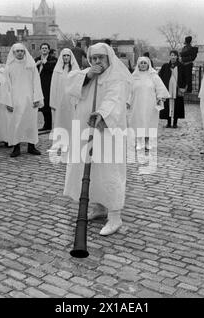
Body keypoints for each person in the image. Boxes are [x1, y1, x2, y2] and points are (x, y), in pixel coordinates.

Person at [64, 42, 132, 236]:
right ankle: (100, 207)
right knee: (92, 169)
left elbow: (115, 99)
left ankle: (115, 216)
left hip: (108, 131)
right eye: (93, 58)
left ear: (108, 58)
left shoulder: (116, 77)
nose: (97, 62)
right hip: (87, 130)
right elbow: (70, 85)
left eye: (100, 58)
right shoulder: (87, 74)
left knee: (109, 169)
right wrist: (88, 75)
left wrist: (102, 113)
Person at [1, 43, 44, 157]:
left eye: (22, 51)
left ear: (24, 52)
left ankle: (31, 146)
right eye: (17, 51)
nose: (20, 53)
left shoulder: (31, 65)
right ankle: (16, 147)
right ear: (13, 53)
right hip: (15, 100)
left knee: (31, 123)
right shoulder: (9, 67)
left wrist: (37, 98)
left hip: (30, 99)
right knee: (16, 123)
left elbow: (36, 82)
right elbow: (6, 86)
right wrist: (8, 102)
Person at [128, 57, 170, 150]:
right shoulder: (133, 77)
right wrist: (128, 101)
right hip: (137, 104)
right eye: (141, 63)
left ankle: (147, 142)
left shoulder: (153, 76)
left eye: (145, 63)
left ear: (148, 64)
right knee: (137, 122)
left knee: (149, 122)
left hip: (150, 104)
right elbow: (129, 91)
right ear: (138, 65)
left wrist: (160, 97)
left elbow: (160, 88)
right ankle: (138, 142)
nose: (143, 65)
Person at [49, 48, 80, 152]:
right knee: (60, 121)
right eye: (64, 56)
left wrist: (77, 100)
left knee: (71, 120)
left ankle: (71, 142)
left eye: (68, 56)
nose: (66, 58)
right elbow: (53, 86)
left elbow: (78, 85)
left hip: (71, 101)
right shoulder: (58, 70)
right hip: (61, 100)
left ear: (71, 57)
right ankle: (59, 142)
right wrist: (53, 101)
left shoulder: (76, 70)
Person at [158, 50, 186, 128]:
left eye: (174, 55)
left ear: (177, 56)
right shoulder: (165, 66)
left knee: (176, 105)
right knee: (168, 105)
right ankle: (169, 122)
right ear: (170, 56)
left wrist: (183, 87)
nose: (173, 57)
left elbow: (184, 78)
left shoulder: (181, 66)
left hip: (177, 89)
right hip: (168, 88)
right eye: (171, 55)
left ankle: (175, 123)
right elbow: (160, 76)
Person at [35, 43, 57, 131]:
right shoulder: (36, 59)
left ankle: (50, 124)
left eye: (46, 48)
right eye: (42, 48)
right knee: (42, 105)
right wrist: (36, 65)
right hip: (39, 85)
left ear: (48, 50)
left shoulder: (53, 59)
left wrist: (45, 63)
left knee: (48, 104)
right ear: (40, 50)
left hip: (49, 84)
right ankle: (46, 124)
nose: (44, 49)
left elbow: (53, 68)